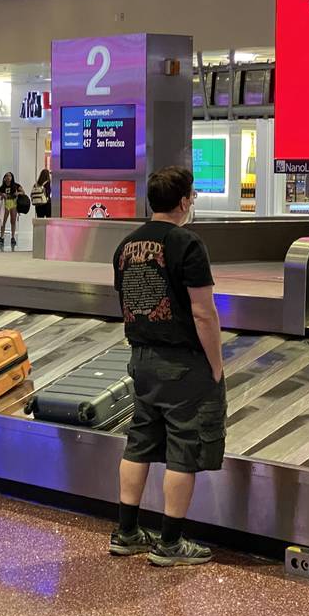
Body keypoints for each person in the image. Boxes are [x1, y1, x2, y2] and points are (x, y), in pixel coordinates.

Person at [109, 167, 223, 567]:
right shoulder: (187, 244)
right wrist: (215, 365)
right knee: (184, 449)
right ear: (183, 201)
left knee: (139, 441)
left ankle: (126, 532)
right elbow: (203, 313)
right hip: (183, 363)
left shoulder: (125, 246)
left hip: (141, 358)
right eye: (192, 197)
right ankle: (170, 542)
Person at [0, 172, 22, 247]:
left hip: (13, 204)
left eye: (9, 176)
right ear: (4, 178)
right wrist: (1, 195)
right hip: (5, 204)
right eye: (6, 176)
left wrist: (18, 193)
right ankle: (2, 237)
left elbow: (23, 192)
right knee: (3, 221)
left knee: (13, 221)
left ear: (12, 177)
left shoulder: (16, 185)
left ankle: (13, 237)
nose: (8, 177)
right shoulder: (2, 187)